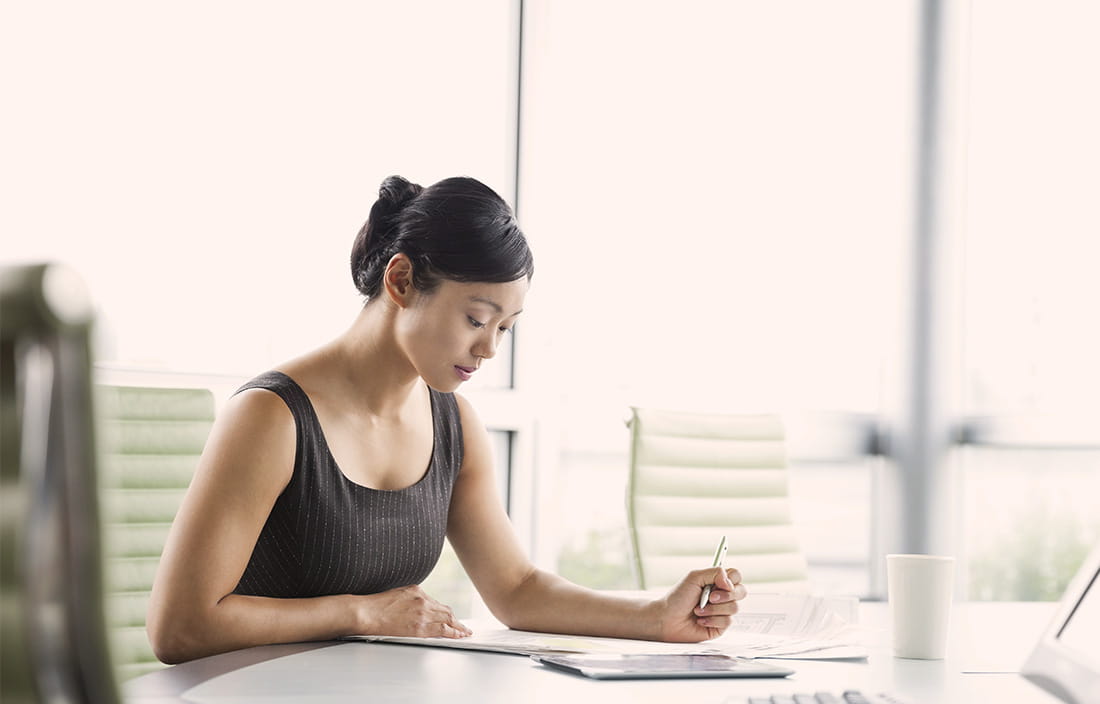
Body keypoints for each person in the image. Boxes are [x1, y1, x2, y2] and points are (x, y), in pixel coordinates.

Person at [146, 175, 748, 664]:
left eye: (505, 328)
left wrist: (656, 616)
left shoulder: (455, 425)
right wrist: (361, 611)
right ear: (402, 280)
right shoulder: (272, 417)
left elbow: (515, 588)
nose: (488, 349)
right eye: (475, 318)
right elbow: (179, 627)